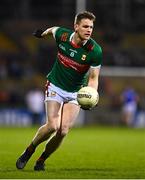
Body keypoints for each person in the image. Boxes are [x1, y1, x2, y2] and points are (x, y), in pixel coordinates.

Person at [16, 11, 102, 171]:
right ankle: (29, 150)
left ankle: (41, 159)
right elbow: (53, 29)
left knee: (62, 131)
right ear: (76, 27)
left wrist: (92, 94)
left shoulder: (95, 51)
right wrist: (42, 34)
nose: (89, 30)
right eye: (85, 26)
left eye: (91, 27)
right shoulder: (62, 35)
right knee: (52, 126)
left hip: (77, 92)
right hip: (55, 84)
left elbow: (94, 77)